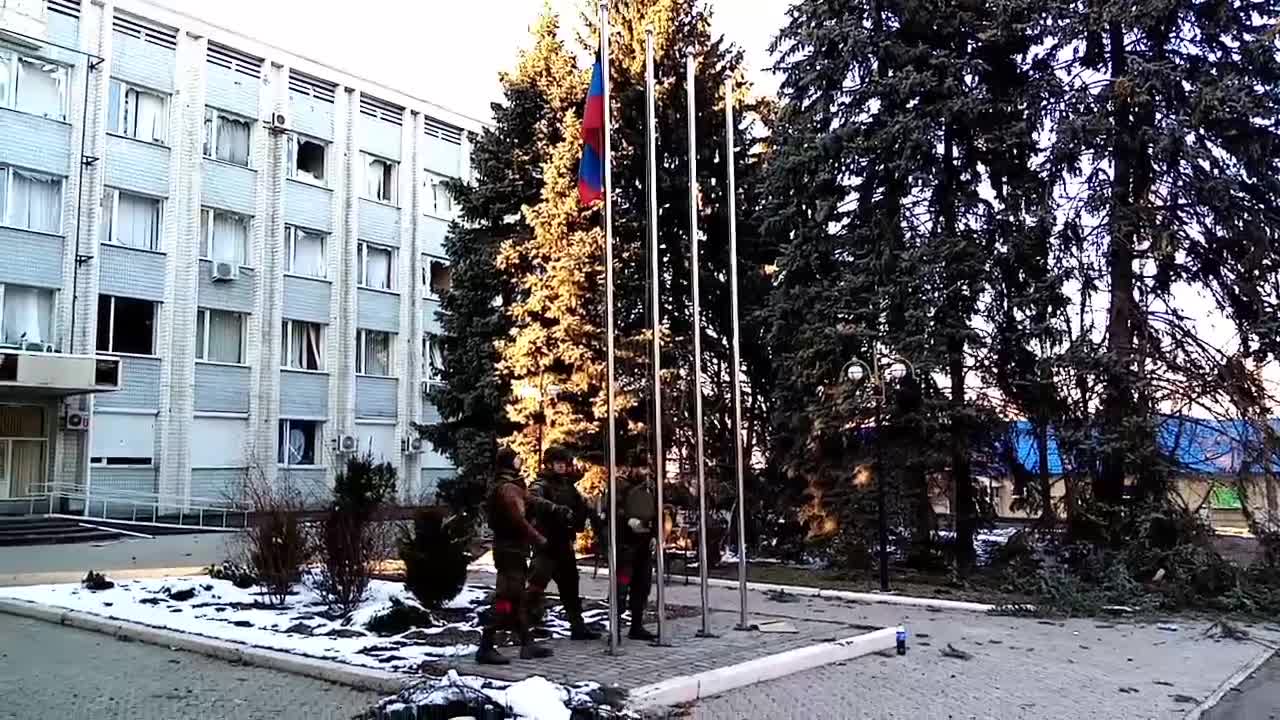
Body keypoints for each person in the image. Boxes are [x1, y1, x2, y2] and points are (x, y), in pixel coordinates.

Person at [475, 447, 554, 665]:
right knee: (506, 598)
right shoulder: (508, 489)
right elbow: (519, 521)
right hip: (509, 549)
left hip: (511, 548)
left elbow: (530, 503)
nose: (521, 461)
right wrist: (540, 539)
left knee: (517, 598)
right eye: (517, 458)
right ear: (510, 463)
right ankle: (486, 644)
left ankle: (527, 644)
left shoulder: (509, 486)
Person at [526, 445, 601, 641]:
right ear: (550, 464)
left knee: (570, 589)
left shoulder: (569, 487)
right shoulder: (540, 485)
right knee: (535, 588)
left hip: (564, 545)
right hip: (546, 545)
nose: (562, 467)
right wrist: (556, 509)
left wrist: (588, 511)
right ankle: (523, 628)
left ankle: (578, 627)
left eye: (564, 463)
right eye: (558, 463)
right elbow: (532, 500)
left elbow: (579, 507)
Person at [612, 448, 658, 642]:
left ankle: (636, 626)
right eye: (642, 467)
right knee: (621, 587)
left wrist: (654, 535)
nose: (646, 472)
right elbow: (611, 511)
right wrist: (626, 521)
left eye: (647, 467)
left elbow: (655, 512)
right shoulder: (619, 486)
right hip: (625, 544)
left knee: (642, 586)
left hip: (643, 543)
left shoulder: (649, 488)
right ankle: (615, 629)